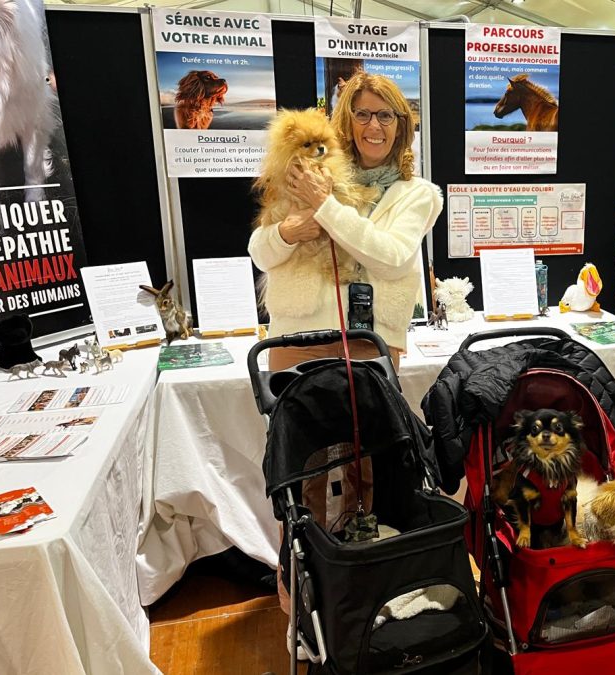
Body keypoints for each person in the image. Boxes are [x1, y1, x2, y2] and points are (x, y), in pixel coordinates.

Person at [248, 72, 441, 626]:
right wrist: (288, 230)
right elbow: (260, 250)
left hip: (367, 343)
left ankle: (365, 591)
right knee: (299, 470)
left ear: (402, 126)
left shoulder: (418, 194)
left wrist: (327, 208)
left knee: (368, 470)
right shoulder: (310, 168)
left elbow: (391, 256)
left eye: (385, 115)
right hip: (294, 338)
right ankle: (303, 595)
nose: (373, 125)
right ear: (346, 122)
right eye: (362, 114)